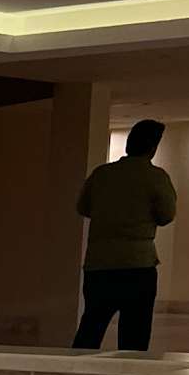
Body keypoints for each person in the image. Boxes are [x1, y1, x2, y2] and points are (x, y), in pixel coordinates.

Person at [73, 119, 177, 352]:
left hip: (99, 262)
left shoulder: (102, 174)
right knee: (135, 334)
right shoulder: (156, 177)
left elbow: (83, 207)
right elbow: (166, 215)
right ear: (153, 147)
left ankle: (73, 371)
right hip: (137, 264)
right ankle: (128, 372)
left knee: (91, 327)